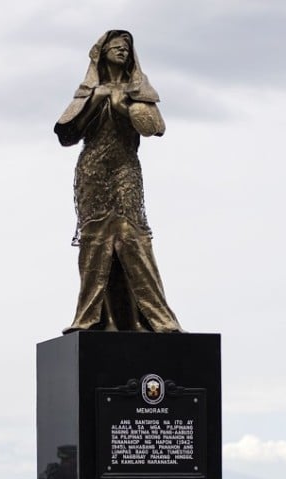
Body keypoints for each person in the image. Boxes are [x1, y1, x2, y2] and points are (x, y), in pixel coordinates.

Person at [54, 30, 182, 334]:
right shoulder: (90, 92)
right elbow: (66, 134)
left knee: (131, 235)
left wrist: (125, 105)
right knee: (95, 238)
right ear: (102, 52)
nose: (122, 51)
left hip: (125, 168)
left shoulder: (136, 90)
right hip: (93, 171)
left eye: (126, 47)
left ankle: (155, 318)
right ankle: (94, 318)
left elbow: (155, 127)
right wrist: (96, 101)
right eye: (115, 46)